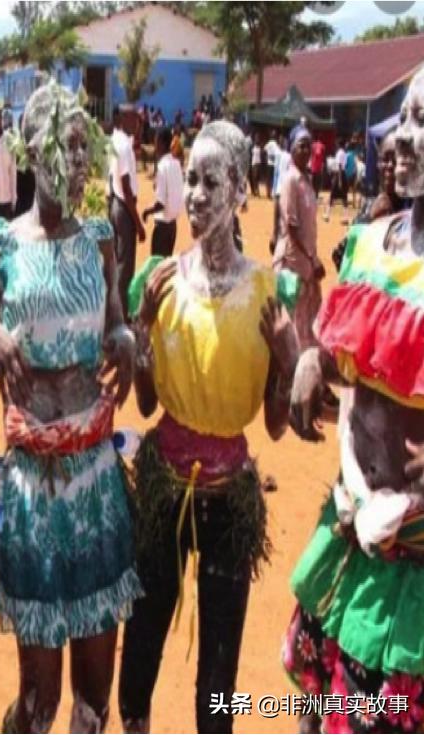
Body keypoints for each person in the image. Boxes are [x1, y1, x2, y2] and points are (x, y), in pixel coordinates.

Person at [120, 120, 299, 733]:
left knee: (218, 671)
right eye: (189, 179)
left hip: (230, 502)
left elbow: (276, 426)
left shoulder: (266, 293)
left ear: (240, 191)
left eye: (209, 181)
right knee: (142, 635)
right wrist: (142, 331)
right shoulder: (160, 283)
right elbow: (144, 406)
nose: (194, 194)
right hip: (163, 485)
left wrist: (287, 356)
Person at [0, 82, 141, 734]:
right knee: (37, 699)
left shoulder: (100, 239)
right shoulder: (3, 242)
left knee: (91, 701)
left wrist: (126, 340)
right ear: (29, 151)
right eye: (64, 146)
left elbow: (115, 324)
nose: (76, 162)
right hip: (32, 489)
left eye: (84, 147)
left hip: (93, 485)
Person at [284, 67, 424, 735]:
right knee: (313, 713)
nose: (401, 138)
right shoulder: (371, 244)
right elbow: (354, 363)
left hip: (413, 570)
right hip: (346, 536)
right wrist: (314, 358)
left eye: (421, 122)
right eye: (403, 119)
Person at [273, 126, 324, 352]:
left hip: (307, 261)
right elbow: (292, 227)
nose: (306, 150)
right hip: (294, 262)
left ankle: (302, 367)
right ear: (292, 149)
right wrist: (313, 259)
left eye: (308, 145)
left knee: (307, 319)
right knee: (291, 320)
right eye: (301, 145)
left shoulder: (306, 181)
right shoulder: (290, 180)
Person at [332, 131, 411, 271]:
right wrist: (368, 219)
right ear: (377, 164)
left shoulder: (415, 213)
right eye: (385, 159)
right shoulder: (369, 207)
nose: (390, 166)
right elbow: (340, 258)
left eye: (397, 160)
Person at [110, 105, 147, 319]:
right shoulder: (123, 147)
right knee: (125, 269)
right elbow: (126, 186)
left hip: (117, 205)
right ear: (124, 118)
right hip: (125, 209)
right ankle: (121, 318)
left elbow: (137, 143)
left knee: (117, 264)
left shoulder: (119, 140)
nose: (137, 123)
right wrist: (139, 225)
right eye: (134, 119)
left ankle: (116, 313)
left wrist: (139, 127)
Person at [143, 126, 184, 258]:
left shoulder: (162, 167)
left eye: (156, 141)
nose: (155, 145)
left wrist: (147, 212)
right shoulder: (176, 164)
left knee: (156, 267)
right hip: (172, 226)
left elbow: (160, 203)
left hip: (162, 227)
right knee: (165, 265)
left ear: (161, 143)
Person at [325, 138, 350, 222]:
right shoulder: (345, 153)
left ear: (339, 145)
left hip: (339, 175)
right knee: (344, 196)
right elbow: (344, 166)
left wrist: (339, 180)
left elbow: (339, 166)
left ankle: (327, 215)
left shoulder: (339, 153)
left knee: (332, 195)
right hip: (343, 174)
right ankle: (345, 217)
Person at [264, 131, 281, 199]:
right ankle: (270, 193)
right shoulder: (275, 144)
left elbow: (264, 151)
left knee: (268, 179)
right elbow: (277, 154)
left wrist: (266, 158)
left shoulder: (268, 143)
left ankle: (268, 193)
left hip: (269, 164)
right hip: (273, 164)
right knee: (272, 180)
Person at [250, 133, 263, 197]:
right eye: (256, 138)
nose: (256, 140)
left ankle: (257, 191)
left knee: (257, 179)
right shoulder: (253, 147)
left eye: (257, 138)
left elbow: (262, 156)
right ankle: (256, 191)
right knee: (254, 179)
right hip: (254, 164)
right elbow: (251, 155)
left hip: (258, 164)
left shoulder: (260, 147)